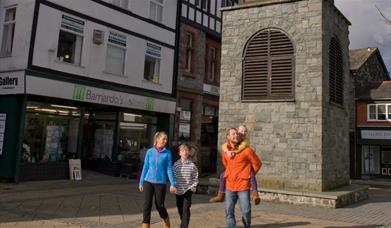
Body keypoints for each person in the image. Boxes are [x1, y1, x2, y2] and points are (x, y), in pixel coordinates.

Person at [210, 125, 261, 204]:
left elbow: (256, 163)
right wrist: (227, 152)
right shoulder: (231, 143)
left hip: (245, 169)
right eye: (240, 131)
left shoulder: (245, 142)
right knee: (222, 175)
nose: (243, 133)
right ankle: (220, 195)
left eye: (245, 131)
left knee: (252, 176)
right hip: (233, 176)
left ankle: (255, 194)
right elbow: (224, 152)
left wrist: (235, 152)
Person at [223, 128, 261, 228]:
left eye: (237, 133)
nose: (236, 135)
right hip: (229, 185)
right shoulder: (225, 151)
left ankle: (247, 225)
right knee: (229, 211)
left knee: (246, 211)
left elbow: (257, 164)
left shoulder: (247, 150)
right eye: (233, 134)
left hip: (243, 185)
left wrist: (248, 173)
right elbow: (225, 163)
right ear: (228, 137)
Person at [139, 131, 177, 228]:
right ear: (157, 139)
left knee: (159, 205)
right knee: (146, 205)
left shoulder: (167, 153)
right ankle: (145, 225)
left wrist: (172, 183)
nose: (165, 140)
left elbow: (169, 168)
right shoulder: (150, 152)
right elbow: (145, 167)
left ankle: (166, 219)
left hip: (160, 183)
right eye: (163, 138)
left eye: (166, 139)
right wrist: (141, 182)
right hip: (148, 181)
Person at [173, 144, 199, 228]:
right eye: (183, 150)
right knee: (180, 209)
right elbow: (173, 176)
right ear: (179, 153)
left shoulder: (192, 165)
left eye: (187, 150)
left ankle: (184, 226)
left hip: (188, 190)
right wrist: (173, 185)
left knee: (186, 209)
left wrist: (193, 187)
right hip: (178, 191)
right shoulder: (176, 165)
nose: (185, 152)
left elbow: (195, 177)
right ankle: (183, 222)